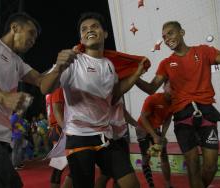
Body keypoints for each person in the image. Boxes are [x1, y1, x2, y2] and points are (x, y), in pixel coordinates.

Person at [0, 12, 76, 188]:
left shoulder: (17, 62)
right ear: (15, 28)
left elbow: (42, 84)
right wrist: (2, 97)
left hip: (1, 141)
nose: (33, 40)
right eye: (31, 33)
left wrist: (59, 67)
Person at [135, 21, 220, 188]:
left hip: (207, 112)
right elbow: (151, 88)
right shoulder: (165, 64)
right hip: (183, 117)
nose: (167, 39)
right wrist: (134, 76)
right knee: (193, 165)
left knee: (210, 167)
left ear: (182, 32)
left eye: (170, 33)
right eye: (164, 37)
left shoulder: (203, 51)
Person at [60, 12, 146, 188]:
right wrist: (58, 67)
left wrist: (136, 74)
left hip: (106, 135)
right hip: (79, 136)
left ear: (105, 33)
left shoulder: (109, 65)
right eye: (84, 29)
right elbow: (45, 87)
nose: (89, 30)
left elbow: (115, 96)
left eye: (94, 26)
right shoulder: (73, 61)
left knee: (131, 183)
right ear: (81, 38)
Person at [135, 81, 173, 188]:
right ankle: (150, 184)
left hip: (155, 128)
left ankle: (168, 185)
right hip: (142, 128)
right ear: (164, 86)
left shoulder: (174, 102)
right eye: (171, 86)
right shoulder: (153, 99)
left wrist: (163, 135)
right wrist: (155, 136)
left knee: (163, 156)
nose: (173, 89)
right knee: (146, 157)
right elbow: (143, 117)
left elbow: (168, 119)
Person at [46, 87, 72, 188]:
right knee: (59, 166)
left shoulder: (55, 91)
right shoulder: (58, 89)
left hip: (58, 129)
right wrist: (66, 130)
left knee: (65, 165)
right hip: (60, 129)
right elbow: (57, 111)